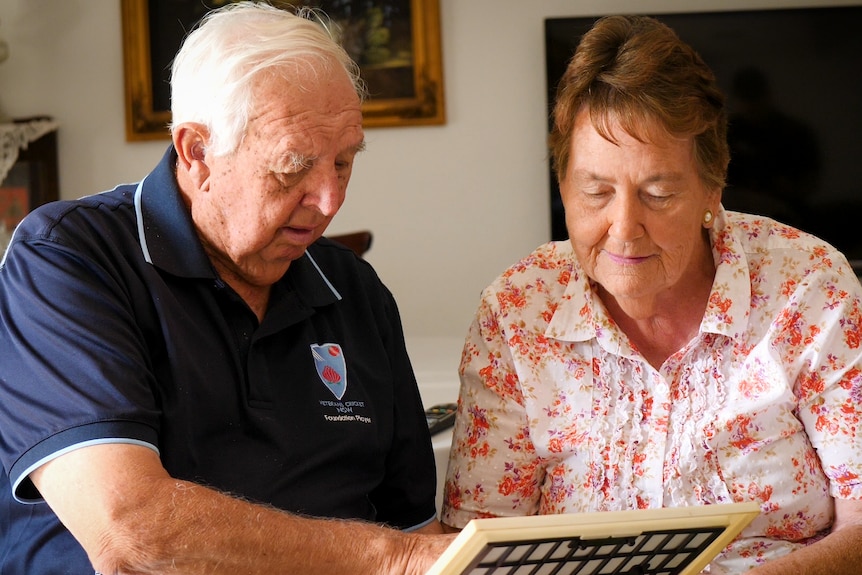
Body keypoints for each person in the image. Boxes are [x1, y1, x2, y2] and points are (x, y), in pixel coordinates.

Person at [0, 3, 453, 573]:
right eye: (293, 167)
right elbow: (133, 534)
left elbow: (416, 529)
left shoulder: (353, 289)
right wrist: (389, 558)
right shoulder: (68, 259)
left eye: (343, 162)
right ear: (197, 152)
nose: (330, 201)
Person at [441, 14, 862, 575]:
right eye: (595, 192)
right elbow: (479, 539)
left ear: (714, 185)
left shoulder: (809, 287)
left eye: (658, 193)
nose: (623, 227)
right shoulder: (518, 312)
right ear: (563, 184)